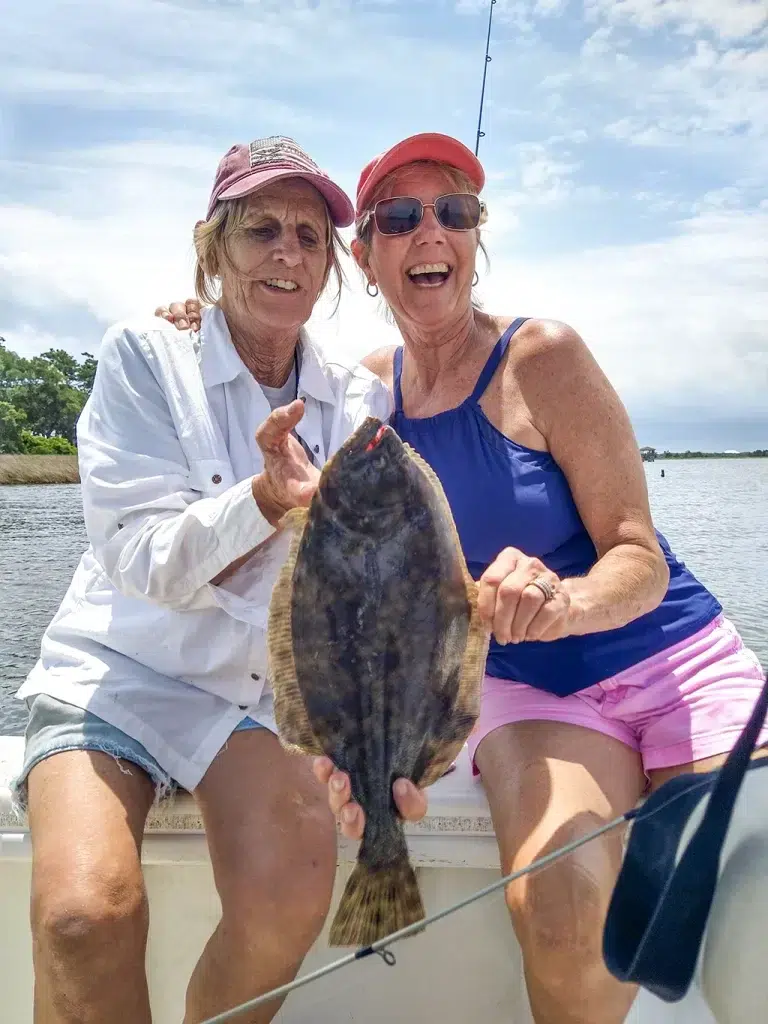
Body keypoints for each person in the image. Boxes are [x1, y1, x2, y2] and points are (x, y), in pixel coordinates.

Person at [160, 131, 768, 1024]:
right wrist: (200, 316)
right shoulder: (360, 398)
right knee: (562, 919)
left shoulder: (543, 357)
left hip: (676, 664)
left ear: (478, 238)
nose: (431, 232)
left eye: (456, 211)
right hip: (531, 692)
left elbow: (636, 553)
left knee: (745, 893)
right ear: (362, 257)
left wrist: (565, 603)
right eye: (399, 217)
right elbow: (268, 429)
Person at [11, 136, 393, 1024]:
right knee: (82, 916)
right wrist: (264, 500)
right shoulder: (145, 354)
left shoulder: (355, 402)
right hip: (114, 673)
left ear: (332, 264)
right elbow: (140, 558)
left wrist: (372, 733)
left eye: (310, 235)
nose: (288, 254)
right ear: (212, 248)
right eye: (261, 229)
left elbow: (363, 597)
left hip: (252, 695)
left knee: (292, 896)